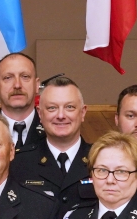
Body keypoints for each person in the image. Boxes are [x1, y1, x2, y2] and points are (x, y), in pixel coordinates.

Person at [13, 74, 91, 203]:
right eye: (52, 108)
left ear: (83, 113)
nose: (61, 115)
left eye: (69, 107)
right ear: (40, 114)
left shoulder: (101, 159)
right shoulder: (18, 163)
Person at [0, 52, 44, 150]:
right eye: (8, 78)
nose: (17, 85)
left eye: (25, 76)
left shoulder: (55, 129)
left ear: (37, 85)